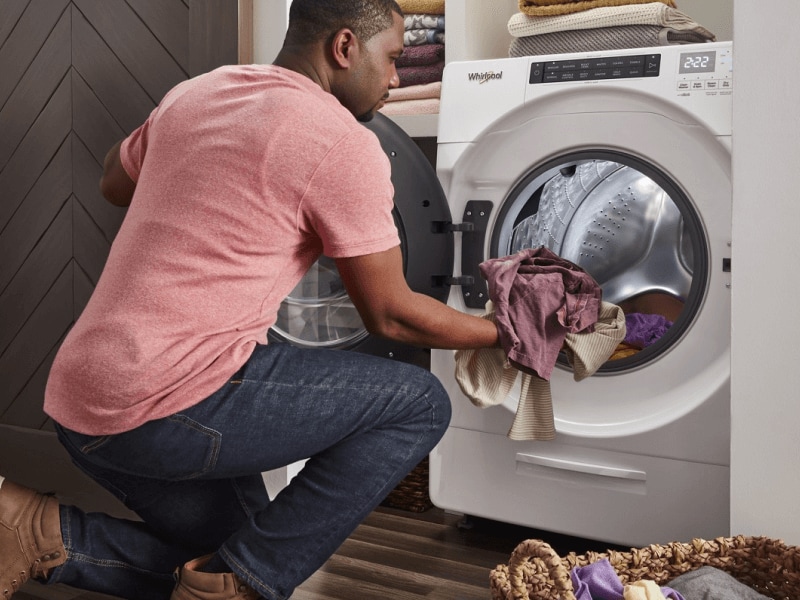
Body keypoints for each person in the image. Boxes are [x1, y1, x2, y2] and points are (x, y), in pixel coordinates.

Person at [0, 1, 498, 599]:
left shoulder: (200, 92)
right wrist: (504, 332)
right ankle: (234, 587)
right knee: (418, 402)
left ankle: (32, 532)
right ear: (344, 48)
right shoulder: (342, 142)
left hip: (81, 396)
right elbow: (390, 314)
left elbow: (112, 180)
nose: (395, 78)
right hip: (164, 404)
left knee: (244, 551)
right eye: (391, 58)